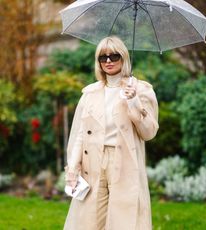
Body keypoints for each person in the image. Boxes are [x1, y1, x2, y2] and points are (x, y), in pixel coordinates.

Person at [63, 36, 159, 230]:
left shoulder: (141, 90)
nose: (108, 61)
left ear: (124, 58)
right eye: (103, 57)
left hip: (124, 160)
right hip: (93, 161)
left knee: (124, 219)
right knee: (89, 219)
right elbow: (81, 133)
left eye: (114, 56)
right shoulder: (90, 93)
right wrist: (72, 167)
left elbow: (149, 132)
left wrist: (133, 101)